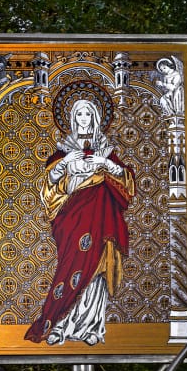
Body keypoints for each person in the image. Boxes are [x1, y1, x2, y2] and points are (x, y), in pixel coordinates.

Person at [24, 97, 135, 346]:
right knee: (69, 267)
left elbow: (127, 185)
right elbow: (49, 188)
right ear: (72, 121)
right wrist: (65, 164)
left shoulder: (107, 152)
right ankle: (59, 325)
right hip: (72, 221)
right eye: (79, 115)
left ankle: (91, 327)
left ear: (95, 119)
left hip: (101, 220)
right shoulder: (62, 153)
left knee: (96, 272)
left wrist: (105, 164)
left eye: (87, 115)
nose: (83, 119)